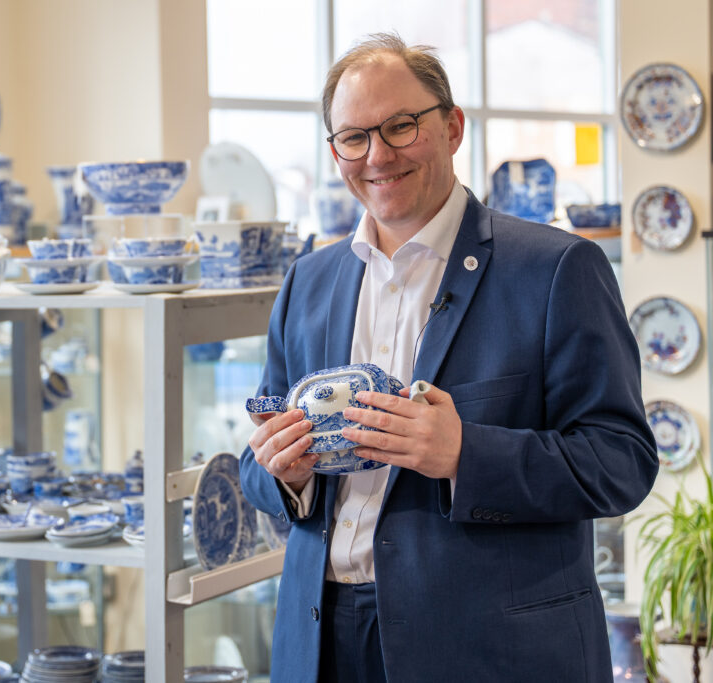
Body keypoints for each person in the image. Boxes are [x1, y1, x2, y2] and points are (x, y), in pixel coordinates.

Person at [238, 33, 658, 683]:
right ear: (334, 151)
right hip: (320, 644)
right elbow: (256, 457)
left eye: (401, 126)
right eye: (354, 137)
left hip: (488, 648)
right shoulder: (307, 282)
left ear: (453, 126)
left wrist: (466, 453)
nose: (377, 155)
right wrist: (285, 473)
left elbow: (622, 461)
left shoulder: (556, 269)